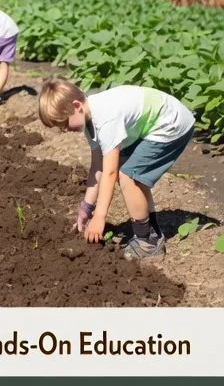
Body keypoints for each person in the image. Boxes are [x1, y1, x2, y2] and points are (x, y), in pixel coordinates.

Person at [38, 78, 195, 260]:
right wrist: (86, 209)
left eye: (64, 124)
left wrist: (99, 217)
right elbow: (98, 168)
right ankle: (151, 231)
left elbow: (110, 173)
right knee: (131, 173)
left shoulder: (106, 119)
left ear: (76, 105)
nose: (65, 130)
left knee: (128, 175)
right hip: (156, 124)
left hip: (171, 124)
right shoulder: (90, 121)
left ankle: (147, 243)